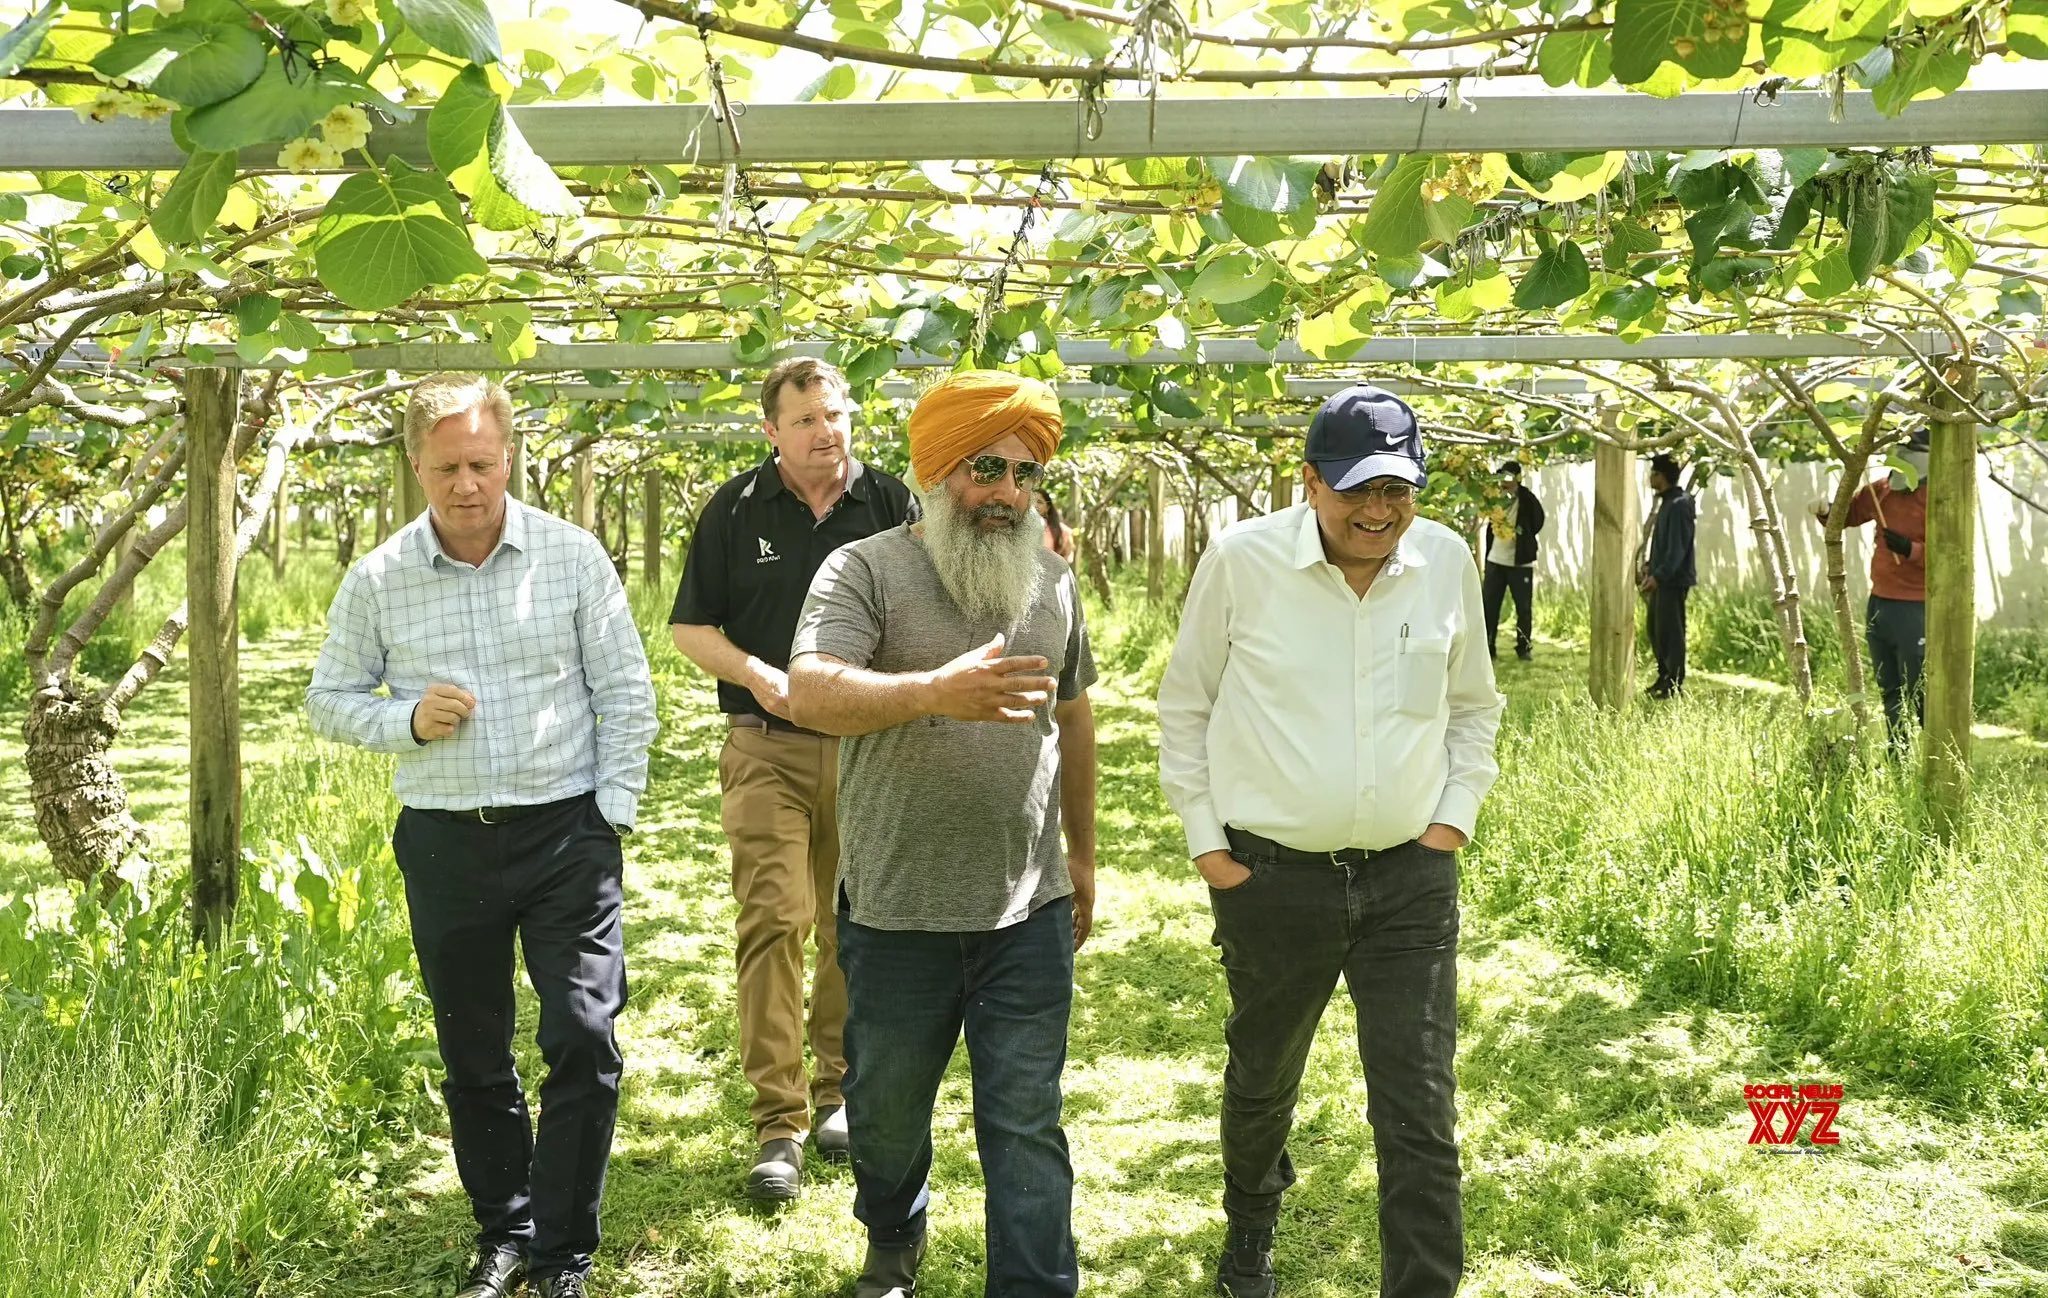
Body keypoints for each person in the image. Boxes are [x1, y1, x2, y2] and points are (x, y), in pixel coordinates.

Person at [308, 372, 657, 1298]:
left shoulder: (572, 556)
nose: (466, 483)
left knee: (584, 1036)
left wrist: (610, 813)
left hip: (566, 836)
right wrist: (406, 722)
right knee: (473, 1048)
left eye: (482, 463)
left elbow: (625, 692)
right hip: (445, 842)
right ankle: (504, 1233)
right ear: (416, 466)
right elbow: (327, 699)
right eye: (445, 468)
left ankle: (564, 1254)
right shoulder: (378, 578)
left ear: (509, 456)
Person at [1157, 384, 1503, 1298]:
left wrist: (1450, 820)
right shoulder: (1242, 562)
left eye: (1399, 490)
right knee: (1264, 1075)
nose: (1380, 512)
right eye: (1358, 490)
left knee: (1419, 1105)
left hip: (1409, 881)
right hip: (1271, 877)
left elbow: (1473, 707)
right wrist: (1208, 846)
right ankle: (1250, 1230)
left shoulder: (1444, 561)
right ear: (1308, 481)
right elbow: (1185, 704)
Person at [786, 369, 1098, 1298]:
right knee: (883, 1115)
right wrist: (931, 692)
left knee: (1026, 1124)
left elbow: (1072, 718)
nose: (1005, 492)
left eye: (1025, 473)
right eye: (984, 468)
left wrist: (1082, 855)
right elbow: (810, 691)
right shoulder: (865, 569)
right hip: (895, 909)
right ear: (934, 471)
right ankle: (894, 1229)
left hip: (1025, 909)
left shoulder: (1051, 580)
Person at [669, 357, 918, 1202]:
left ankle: (838, 1090)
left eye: (837, 414)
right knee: (775, 918)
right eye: (807, 419)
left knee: (852, 919)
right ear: (771, 431)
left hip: (866, 752)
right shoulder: (735, 512)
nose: (827, 432)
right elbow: (691, 627)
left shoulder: (892, 506)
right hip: (765, 744)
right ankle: (779, 1122)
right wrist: (756, 672)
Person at [1811, 435, 1929, 750]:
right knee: (1889, 687)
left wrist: (1912, 550)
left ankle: (1936, 755)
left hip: (1916, 606)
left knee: (1920, 691)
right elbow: (1847, 515)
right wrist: (1826, 511)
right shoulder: (1883, 489)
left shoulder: (1940, 498)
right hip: (1880, 602)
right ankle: (1897, 752)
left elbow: (1953, 555)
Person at [1640, 453, 1696, 699]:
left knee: (1671, 633)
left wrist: (1659, 576)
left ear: (1661, 476)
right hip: (1662, 578)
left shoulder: (1679, 504)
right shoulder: (1667, 503)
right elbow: (1665, 545)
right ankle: (1663, 677)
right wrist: (1651, 566)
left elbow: (1678, 547)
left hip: (1673, 581)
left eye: (1653, 473)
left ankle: (1673, 683)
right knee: (1656, 630)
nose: (1650, 477)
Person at [1479, 461, 1546, 662]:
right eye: (1502, 478)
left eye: (1508, 478)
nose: (1504, 483)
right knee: (1490, 606)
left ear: (1517, 478)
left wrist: (1524, 536)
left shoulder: (1527, 498)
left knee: (1523, 608)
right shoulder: (1494, 498)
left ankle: (1523, 648)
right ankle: (1488, 646)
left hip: (1520, 564)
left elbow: (1538, 520)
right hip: (1495, 561)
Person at [1034, 486, 1076, 562]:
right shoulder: (1018, 526)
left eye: (1039, 502)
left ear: (1047, 508)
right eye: (1030, 501)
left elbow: (1069, 556)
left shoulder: (1062, 530)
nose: (1034, 505)